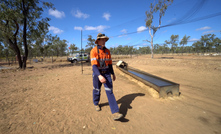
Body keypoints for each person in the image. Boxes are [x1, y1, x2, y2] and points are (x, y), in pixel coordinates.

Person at [90, 33, 123, 120]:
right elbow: (94, 66)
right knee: (96, 89)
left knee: (110, 91)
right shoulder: (93, 51)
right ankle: (96, 103)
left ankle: (115, 112)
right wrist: (99, 76)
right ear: (98, 41)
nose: (104, 41)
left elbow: (110, 64)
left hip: (107, 73)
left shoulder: (107, 51)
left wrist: (113, 73)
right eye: (102, 39)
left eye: (105, 39)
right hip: (97, 74)